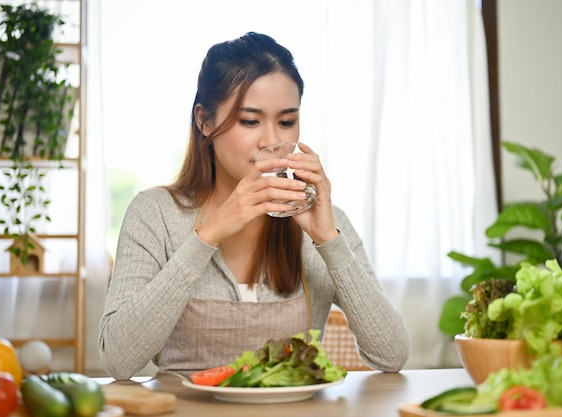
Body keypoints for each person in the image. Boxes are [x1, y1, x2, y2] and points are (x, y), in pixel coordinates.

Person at [98, 32, 410, 380]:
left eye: (287, 122)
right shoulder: (155, 214)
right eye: (250, 121)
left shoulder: (324, 223)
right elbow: (118, 361)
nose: (272, 141)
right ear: (205, 121)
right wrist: (209, 234)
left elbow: (392, 354)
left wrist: (329, 240)